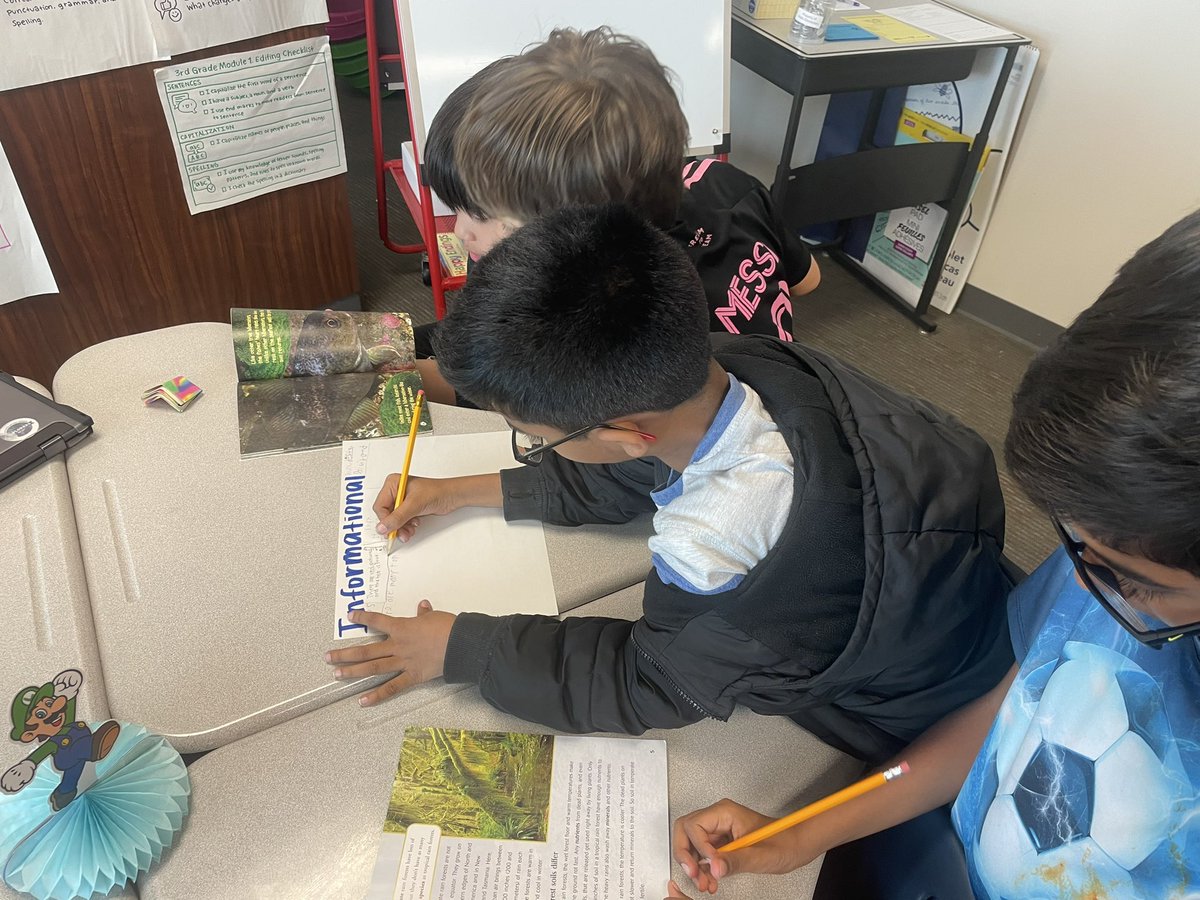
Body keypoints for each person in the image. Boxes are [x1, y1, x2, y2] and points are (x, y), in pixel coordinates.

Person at [326, 204, 1016, 767]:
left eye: (536, 439)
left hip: (923, 714)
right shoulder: (735, 366)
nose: (537, 448)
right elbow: (626, 469)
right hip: (967, 585)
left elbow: (650, 679)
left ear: (626, 429)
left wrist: (461, 647)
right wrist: (456, 491)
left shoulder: (715, 536)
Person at [666, 210, 1200, 900]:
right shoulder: (1104, 563)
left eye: (1128, 579)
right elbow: (999, 716)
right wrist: (798, 834)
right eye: (1077, 548)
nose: (1081, 575)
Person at [412, 27, 819, 370]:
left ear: (574, 228)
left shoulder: (590, 317)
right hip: (792, 383)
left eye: (483, 213)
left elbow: (485, 376)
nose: (461, 231)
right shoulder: (726, 181)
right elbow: (808, 280)